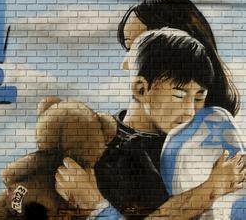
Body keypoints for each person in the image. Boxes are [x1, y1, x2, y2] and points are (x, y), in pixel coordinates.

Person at [56, 28, 246, 219]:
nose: (190, 111)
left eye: (198, 97)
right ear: (141, 89)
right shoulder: (113, 152)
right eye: (178, 95)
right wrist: (212, 188)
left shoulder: (195, 134)